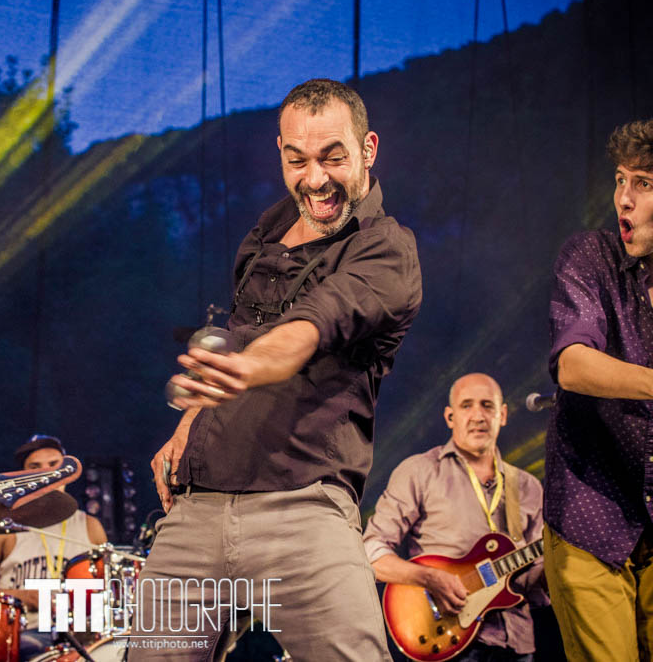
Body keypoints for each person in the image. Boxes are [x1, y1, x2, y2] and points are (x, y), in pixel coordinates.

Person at [136, 78, 422, 661]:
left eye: (333, 157)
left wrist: (244, 367)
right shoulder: (264, 236)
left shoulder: (386, 249)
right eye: (298, 159)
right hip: (197, 511)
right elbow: (239, 334)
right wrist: (191, 417)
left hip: (304, 509)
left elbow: (308, 329)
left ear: (368, 150)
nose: (314, 179)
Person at [544, 118, 653, 660]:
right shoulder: (590, 256)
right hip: (593, 520)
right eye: (619, 180)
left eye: (644, 184)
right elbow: (574, 365)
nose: (623, 199)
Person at [363, 373, 547, 661]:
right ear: (450, 417)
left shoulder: (528, 487)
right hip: (443, 639)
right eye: (466, 406)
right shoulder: (420, 471)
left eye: (487, 405)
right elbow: (369, 553)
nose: (478, 415)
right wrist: (427, 577)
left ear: (503, 414)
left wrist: (560, 562)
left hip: (517, 643)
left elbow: (534, 580)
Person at [0, 434, 107, 659]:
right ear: (23, 477)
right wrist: (20, 596)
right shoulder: (3, 525)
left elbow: (109, 591)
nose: (47, 472)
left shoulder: (89, 525)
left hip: (83, 636)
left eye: (54, 465)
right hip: (25, 633)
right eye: (35, 467)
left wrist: (89, 642)